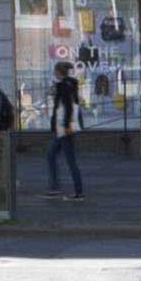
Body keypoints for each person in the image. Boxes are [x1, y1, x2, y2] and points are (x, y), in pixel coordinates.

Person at [47, 61, 85, 201]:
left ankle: (78, 192)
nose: (54, 72)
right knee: (51, 155)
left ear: (58, 71)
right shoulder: (71, 83)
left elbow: (68, 106)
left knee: (70, 160)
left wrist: (67, 125)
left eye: (55, 70)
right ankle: (55, 187)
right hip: (62, 129)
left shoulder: (64, 85)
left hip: (64, 128)